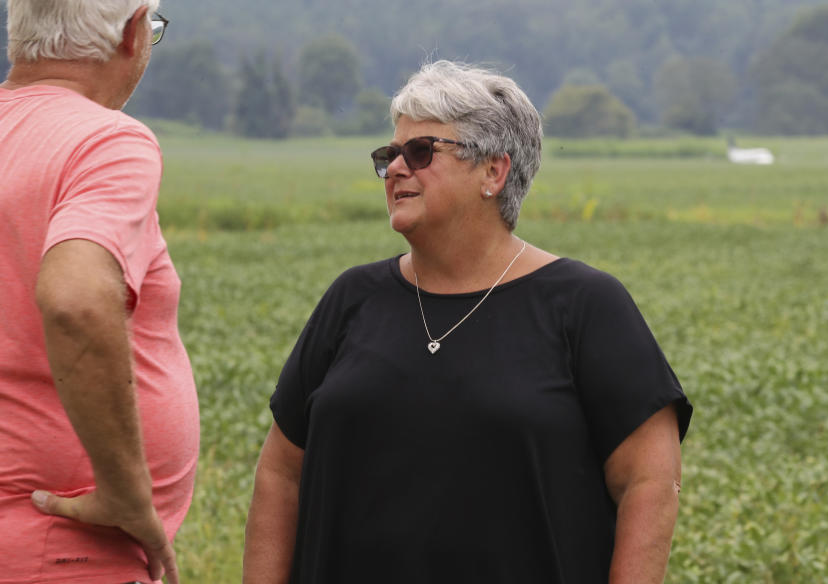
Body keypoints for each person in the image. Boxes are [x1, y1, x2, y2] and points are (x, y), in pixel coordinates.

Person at [243, 60, 692, 584]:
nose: (394, 169)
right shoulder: (352, 299)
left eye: (420, 151)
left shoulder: (585, 305)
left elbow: (650, 482)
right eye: (389, 154)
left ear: (493, 172)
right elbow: (280, 474)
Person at [0, 0, 198, 583]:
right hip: (60, 543)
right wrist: (123, 490)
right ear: (135, 31)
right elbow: (77, 300)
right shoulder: (105, 140)